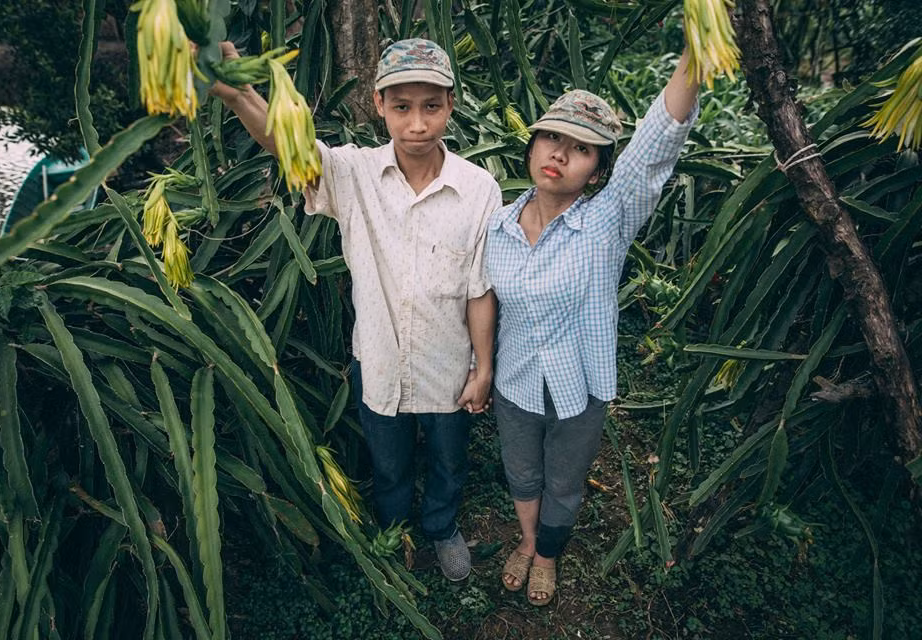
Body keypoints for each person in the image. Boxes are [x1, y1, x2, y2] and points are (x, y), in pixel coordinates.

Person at [210, 38, 501, 581]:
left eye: (430, 106)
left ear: (451, 105)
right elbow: (288, 145)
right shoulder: (353, 174)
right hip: (382, 361)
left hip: (449, 363)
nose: (417, 123)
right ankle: (396, 527)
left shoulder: (480, 189)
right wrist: (239, 95)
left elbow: (480, 288)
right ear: (378, 104)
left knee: (449, 459)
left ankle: (440, 527)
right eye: (402, 107)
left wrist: (483, 368)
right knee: (387, 463)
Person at [485, 50, 699, 605]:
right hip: (514, 379)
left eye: (581, 148)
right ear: (531, 147)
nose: (559, 153)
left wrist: (696, 56)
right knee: (522, 472)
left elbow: (654, 150)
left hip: (579, 385)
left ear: (597, 171)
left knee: (562, 482)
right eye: (552, 138)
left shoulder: (606, 222)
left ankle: (549, 556)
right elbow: (479, 300)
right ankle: (529, 541)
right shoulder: (498, 226)